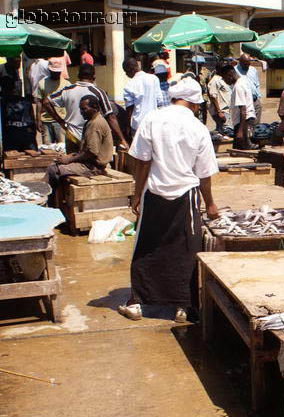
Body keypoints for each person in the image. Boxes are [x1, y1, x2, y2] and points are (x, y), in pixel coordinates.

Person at [118, 79, 219, 323]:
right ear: (194, 104)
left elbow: (141, 162)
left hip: (154, 194)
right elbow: (204, 175)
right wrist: (211, 204)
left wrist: (137, 194)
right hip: (186, 195)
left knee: (147, 247)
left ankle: (137, 303)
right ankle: (183, 308)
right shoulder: (198, 128)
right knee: (185, 250)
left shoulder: (152, 119)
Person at [45, 64, 128, 152]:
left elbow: (46, 102)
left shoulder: (67, 90)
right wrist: (122, 139)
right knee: (93, 163)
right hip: (93, 136)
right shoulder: (99, 92)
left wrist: (60, 121)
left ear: (78, 75)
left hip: (72, 136)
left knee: (71, 163)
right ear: (94, 77)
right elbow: (110, 117)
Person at [43, 95, 113, 194]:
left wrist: (70, 159)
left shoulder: (95, 124)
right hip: (89, 162)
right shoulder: (92, 121)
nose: (81, 112)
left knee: (53, 169)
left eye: (84, 109)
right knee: (56, 163)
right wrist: (72, 156)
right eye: (80, 109)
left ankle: (53, 200)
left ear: (95, 108)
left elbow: (92, 152)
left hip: (93, 167)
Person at [122, 57, 164, 140]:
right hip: (154, 123)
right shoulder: (154, 78)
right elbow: (160, 101)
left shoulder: (129, 85)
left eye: (126, 72)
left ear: (131, 69)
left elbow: (129, 108)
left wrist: (127, 126)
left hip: (138, 125)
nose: (126, 74)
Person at [34, 58, 71, 144]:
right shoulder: (42, 83)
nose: (55, 73)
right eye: (54, 71)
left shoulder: (67, 84)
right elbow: (39, 102)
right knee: (48, 148)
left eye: (57, 71)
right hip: (46, 121)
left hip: (61, 120)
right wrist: (38, 119)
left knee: (62, 147)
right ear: (49, 70)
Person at [230, 69, 256, 149]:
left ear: (229, 75)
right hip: (245, 121)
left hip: (243, 122)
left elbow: (243, 109)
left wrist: (240, 131)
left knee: (244, 151)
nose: (224, 80)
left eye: (224, 78)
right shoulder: (242, 82)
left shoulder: (238, 86)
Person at [235, 53, 262, 123]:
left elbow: (257, 84)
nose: (247, 66)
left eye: (248, 63)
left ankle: (255, 133)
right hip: (243, 102)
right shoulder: (235, 71)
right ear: (240, 62)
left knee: (256, 123)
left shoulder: (253, 70)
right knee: (245, 122)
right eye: (245, 64)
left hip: (255, 100)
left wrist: (258, 96)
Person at [207, 64, 233, 133]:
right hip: (221, 111)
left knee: (222, 131)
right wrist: (219, 112)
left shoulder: (222, 79)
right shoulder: (214, 80)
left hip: (226, 110)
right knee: (226, 131)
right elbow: (213, 96)